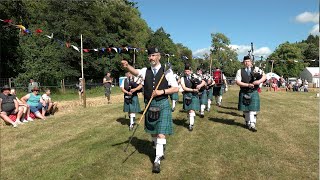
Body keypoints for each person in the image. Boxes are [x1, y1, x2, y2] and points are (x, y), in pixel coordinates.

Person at [121, 47, 179, 173]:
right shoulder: (145, 70)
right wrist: (127, 66)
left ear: (158, 56)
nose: (151, 58)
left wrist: (161, 91)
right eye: (149, 56)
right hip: (149, 103)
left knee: (160, 132)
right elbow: (135, 72)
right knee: (153, 131)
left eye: (153, 55)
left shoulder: (166, 71)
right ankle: (157, 145)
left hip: (162, 103)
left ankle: (157, 160)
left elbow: (175, 88)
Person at [235, 55, 266, 132]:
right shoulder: (240, 71)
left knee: (252, 109)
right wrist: (247, 85)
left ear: (251, 62)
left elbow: (264, 76)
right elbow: (238, 82)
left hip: (253, 91)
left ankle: (252, 124)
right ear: (243, 62)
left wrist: (258, 81)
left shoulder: (256, 69)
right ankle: (247, 121)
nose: (246, 63)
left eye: (248, 61)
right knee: (245, 110)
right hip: (244, 91)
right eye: (245, 61)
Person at [180, 64, 203, 131]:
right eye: (185, 71)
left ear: (190, 71)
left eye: (188, 71)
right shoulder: (182, 78)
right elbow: (184, 87)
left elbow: (203, 81)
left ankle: (191, 125)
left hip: (194, 95)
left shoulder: (195, 76)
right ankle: (191, 117)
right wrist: (193, 90)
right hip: (187, 95)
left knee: (191, 110)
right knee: (189, 110)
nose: (187, 72)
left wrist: (200, 86)